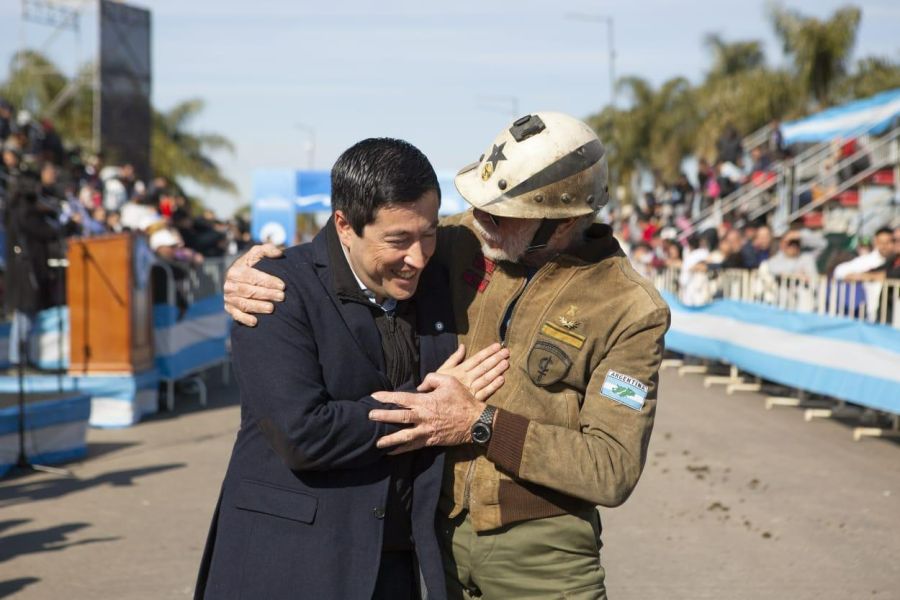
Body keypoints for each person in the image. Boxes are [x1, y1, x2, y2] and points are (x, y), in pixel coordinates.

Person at [224, 113, 671, 598]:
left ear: (560, 224)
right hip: (434, 546)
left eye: (498, 215)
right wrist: (260, 273)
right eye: (477, 206)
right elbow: (366, 239)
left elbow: (612, 469)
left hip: (544, 557)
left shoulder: (630, 309)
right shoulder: (456, 241)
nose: (478, 221)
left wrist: (482, 423)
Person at [195, 138, 509, 600]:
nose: (418, 257)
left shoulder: (439, 280)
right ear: (344, 225)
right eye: (398, 241)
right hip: (289, 565)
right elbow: (304, 433)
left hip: (399, 566)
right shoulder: (273, 291)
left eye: (429, 233)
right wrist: (430, 412)